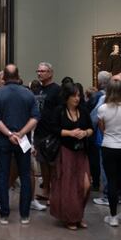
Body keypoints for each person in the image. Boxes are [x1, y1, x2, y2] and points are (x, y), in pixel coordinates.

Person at [0, 64, 39, 225]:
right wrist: (21, 133)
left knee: (3, 176)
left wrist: (9, 134)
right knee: (25, 175)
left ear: (3, 77)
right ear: (18, 76)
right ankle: (24, 215)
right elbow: (35, 117)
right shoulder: (28, 94)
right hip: (23, 140)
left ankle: (4, 214)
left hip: (4, 140)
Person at [50, 83, 93, 230]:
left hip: (81, 152)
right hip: (65, 151)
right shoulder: (59, 111)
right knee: (68, 186)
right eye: (74, 96)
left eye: (79, 95)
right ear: (67, 97)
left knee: (85, 185)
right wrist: (70, 133)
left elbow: (91, 128)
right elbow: (54, 129)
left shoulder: (83, 110)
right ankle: (72, 217)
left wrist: (85, 133)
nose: (77, 98)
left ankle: (77, 214)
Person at [98, 79, 121, 227]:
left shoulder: (103, 108)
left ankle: (113, 217)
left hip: (109, 146)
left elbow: (103, 129)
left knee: (112, 182)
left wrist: (112, 135)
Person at [33, 62, 61, 204]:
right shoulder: (37, 89)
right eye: (38, 71)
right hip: (39, 131)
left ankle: (55, 193)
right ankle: (46, 190)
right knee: (42, 163)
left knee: (53, 164)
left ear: (50, 73)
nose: (39, 73)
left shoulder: (57, 90)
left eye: (43, 71)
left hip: (52, 132)